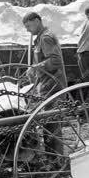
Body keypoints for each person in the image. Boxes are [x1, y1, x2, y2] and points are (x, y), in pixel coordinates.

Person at [23, 11, 68, 160]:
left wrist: (36, 68)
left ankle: (56, 159)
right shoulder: (41, 38)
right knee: (47, 122)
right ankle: (52, 157)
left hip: (53, 85)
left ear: (37, 21)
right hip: (46, 85)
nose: (27, 30)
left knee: (52, 122)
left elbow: (54, 61)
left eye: (29, 26)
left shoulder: (46, 37)